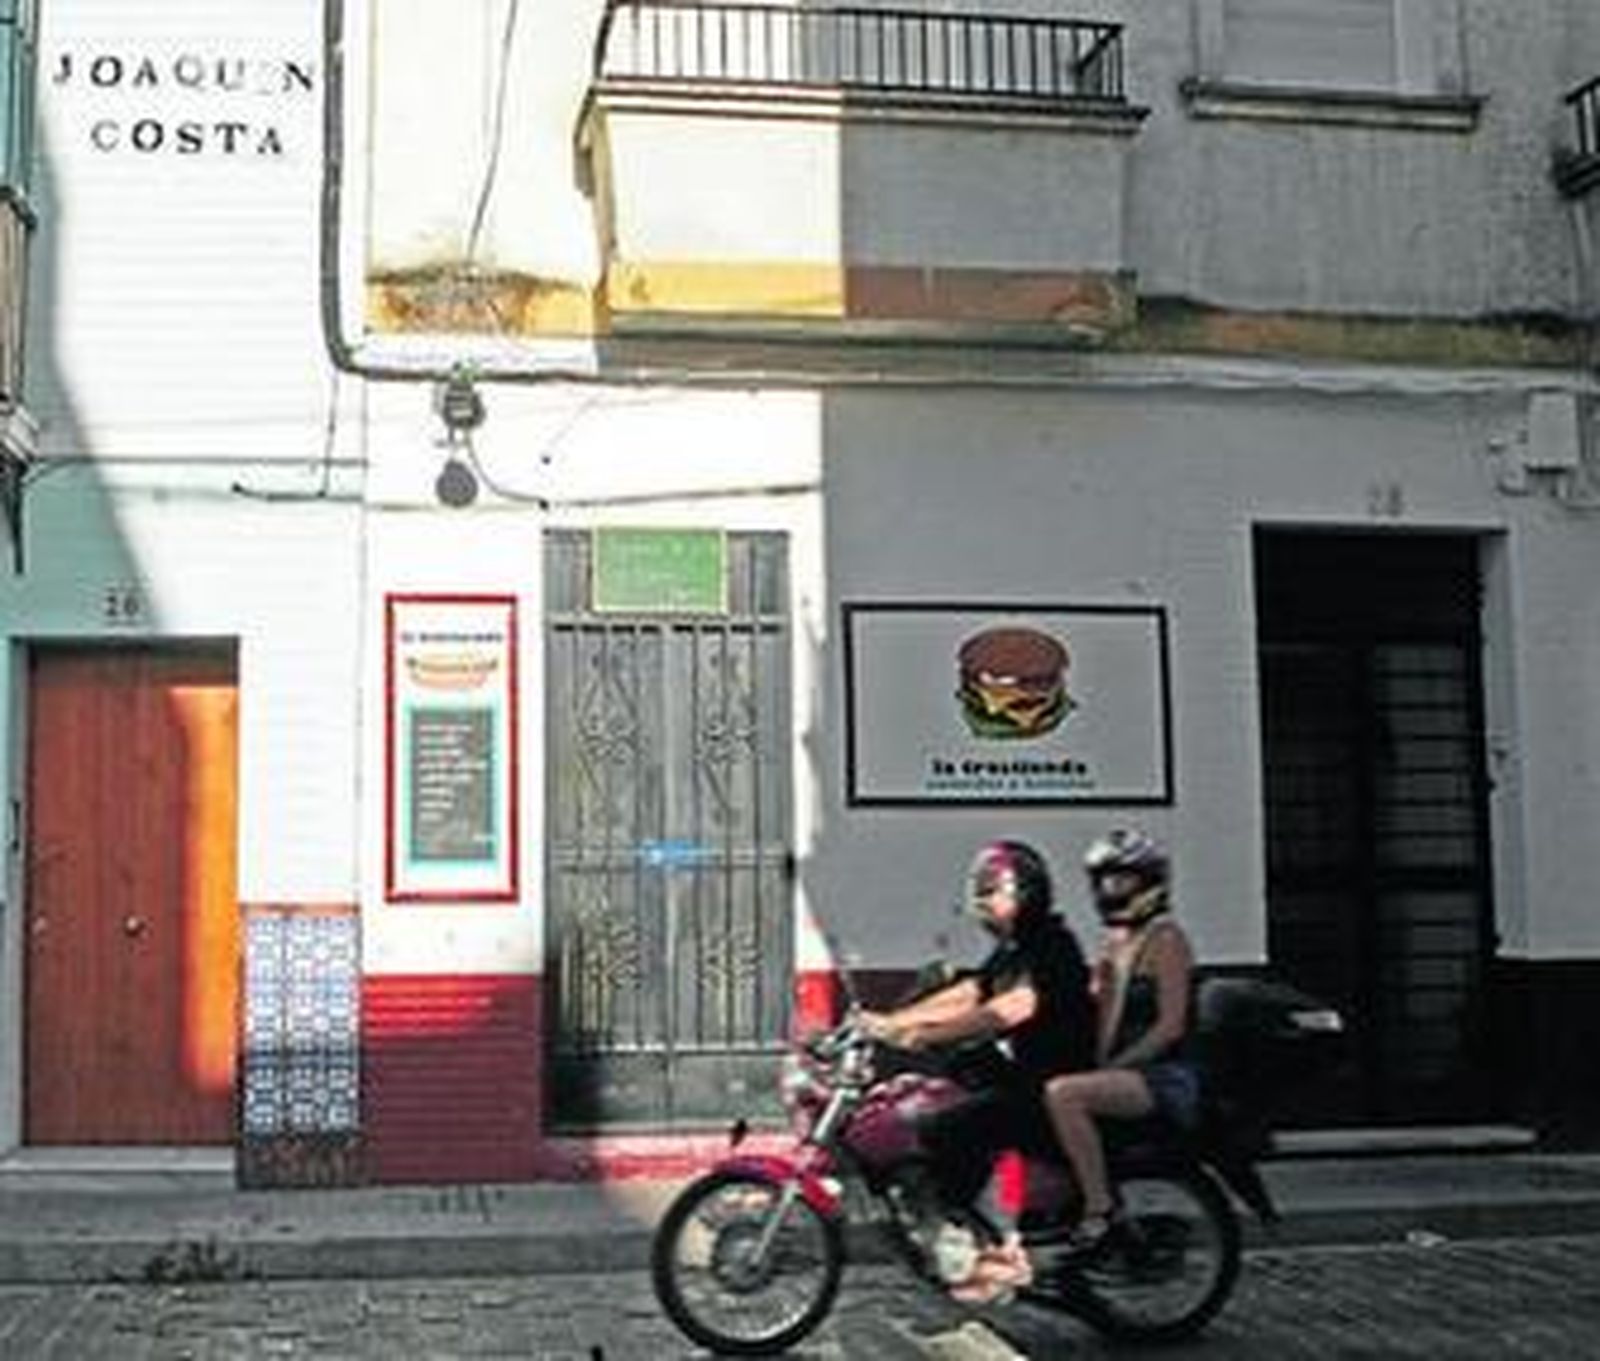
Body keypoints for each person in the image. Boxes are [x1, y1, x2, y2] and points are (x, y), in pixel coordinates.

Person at [861, 838, 1096, 1301]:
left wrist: (925, 1035)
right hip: (1020, 1076)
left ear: (1026, 894)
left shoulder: (1049, 945)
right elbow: (973, 992)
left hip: (1048, 1084)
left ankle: (995, 1250)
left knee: (945, 1129)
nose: (985, 904)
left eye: (994, 893)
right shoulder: (1014, 949)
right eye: (981, 894)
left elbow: (1009, 1009)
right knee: (939, 1093)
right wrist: (890, 1020)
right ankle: (970, 1236)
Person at [1042, 827, 1201, 1253]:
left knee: (1065, 1095)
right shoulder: (1115, 943)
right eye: (1104, 880)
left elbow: (1170, 1025)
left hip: (1162, 1076)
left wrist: (1117, 1066)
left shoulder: (1166, 940)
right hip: (1125, 1068)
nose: (1110, 890)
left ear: (1149, 880)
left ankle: (1101, 1207)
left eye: (1121, 879)